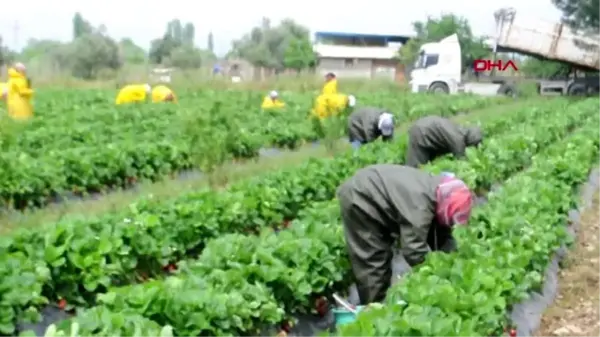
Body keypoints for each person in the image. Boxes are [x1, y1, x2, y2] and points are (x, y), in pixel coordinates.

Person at [337, 165, 474, 304]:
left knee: (382, 255)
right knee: (373, 259)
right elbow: (413, 250)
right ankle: (373, 309)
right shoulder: (419, 208)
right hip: (360, 196)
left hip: (375, 189)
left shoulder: (438, 192)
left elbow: (441, 233)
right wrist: (435, 274)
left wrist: (456, 262)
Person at [406, 116, 483, 168]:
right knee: (416, 167)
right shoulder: (457, 139)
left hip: (425, 131)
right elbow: (461, 160)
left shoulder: (458, 130)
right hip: (422, 132)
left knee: (425, 167)